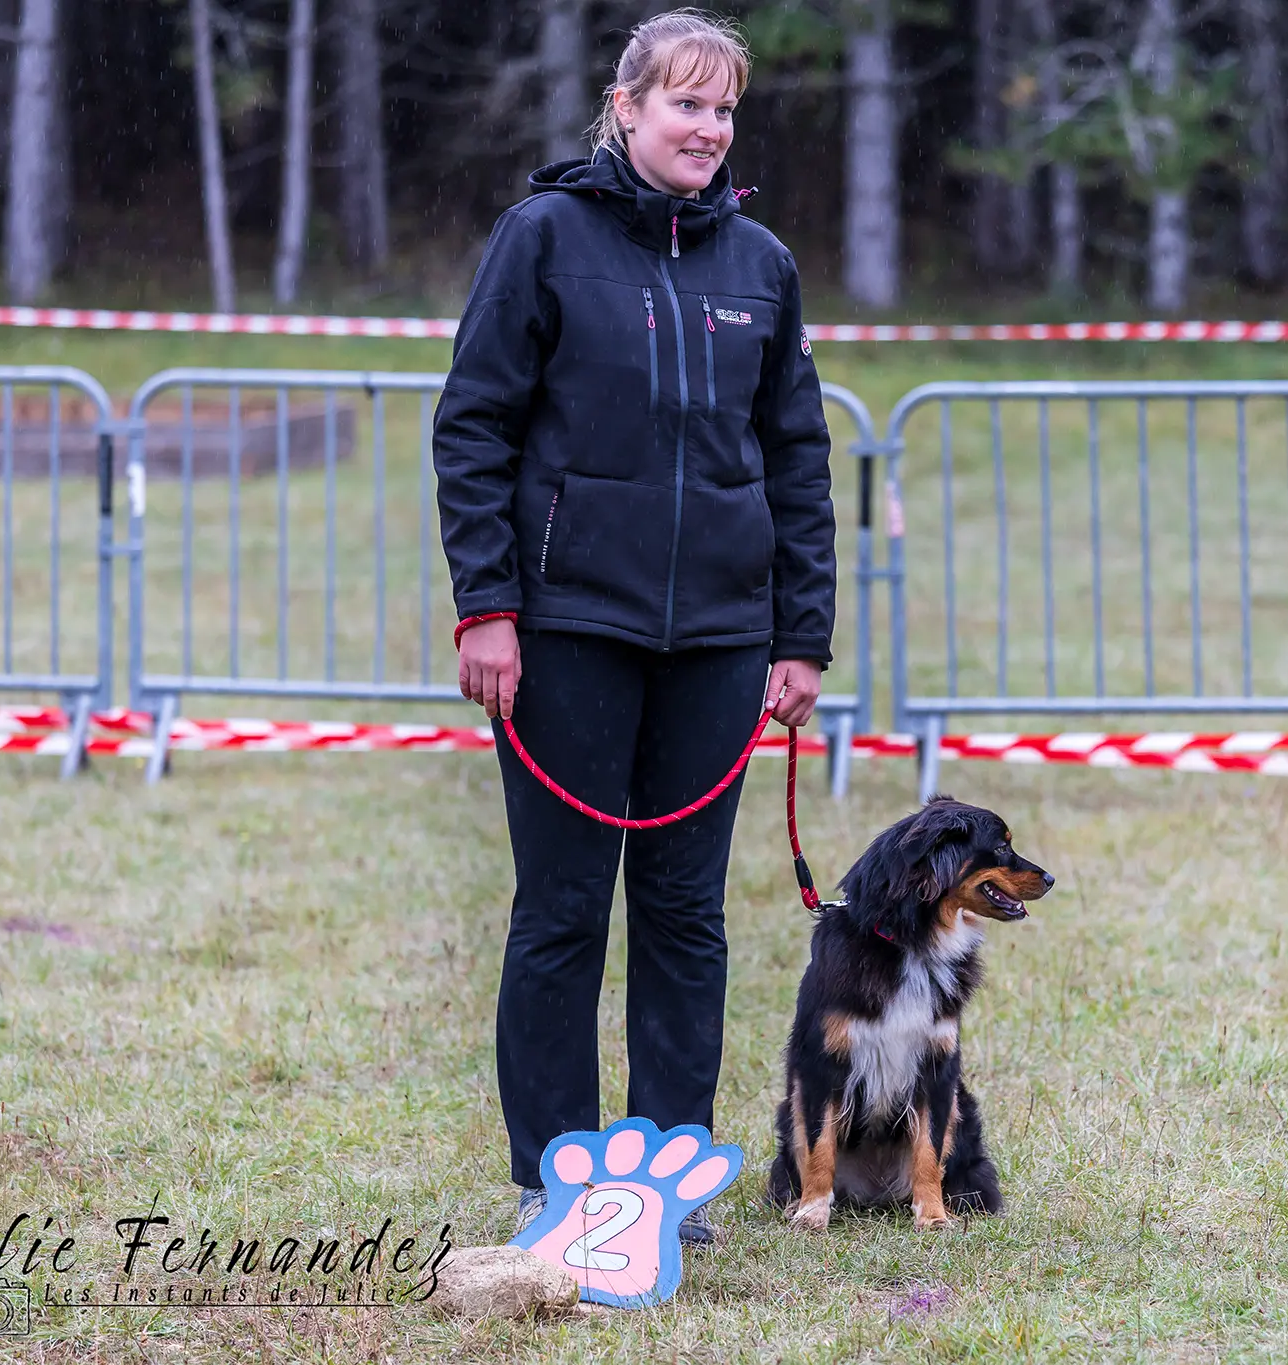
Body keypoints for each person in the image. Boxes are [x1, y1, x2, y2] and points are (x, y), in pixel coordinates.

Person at [431, 8, 834, 1246]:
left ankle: (666, 1177)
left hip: (719, 641)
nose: (707, 129)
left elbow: (795, 459)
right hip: (565, 634)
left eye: (723, 110)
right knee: (561, 911)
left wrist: (798, 638)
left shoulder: (759, 267)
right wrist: (488, 609)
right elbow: (474, 430)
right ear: (625, 108)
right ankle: (553, 1171)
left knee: (685, 914)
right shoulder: (542, 239)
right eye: (685, 106)